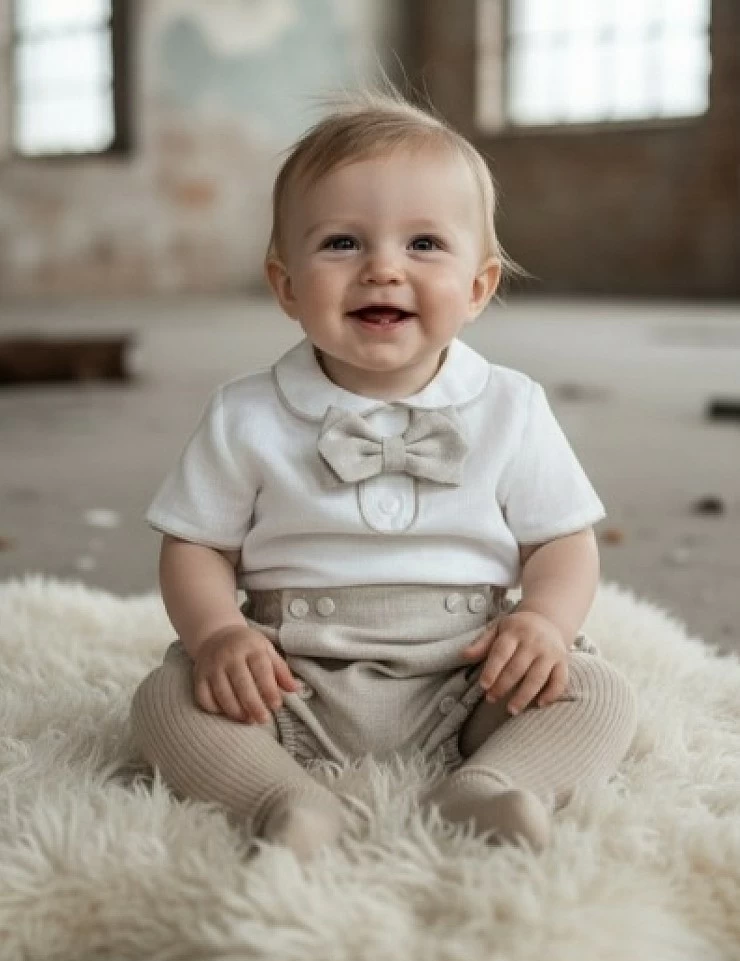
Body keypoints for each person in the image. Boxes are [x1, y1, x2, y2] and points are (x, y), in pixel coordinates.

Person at [130, 90, 637, 861]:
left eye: (424, 244)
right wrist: (220, 634)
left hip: (467, 672)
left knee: (596, 691)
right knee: (166, 698)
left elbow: (563, 542)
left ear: (478, 287)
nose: (383, 269)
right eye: (342, 243)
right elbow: (196, 547)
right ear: (286, 285)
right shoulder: (246, 412)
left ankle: (494, 785)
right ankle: (283, 800)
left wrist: (543, 621)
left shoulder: (510, 405)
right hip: (290, 676)